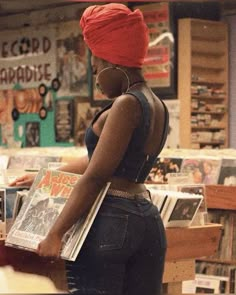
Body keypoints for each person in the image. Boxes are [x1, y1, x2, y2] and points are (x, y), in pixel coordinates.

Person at [10, 3, 169, 295]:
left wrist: (55, 233)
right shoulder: (156, 105)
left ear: (112, 62)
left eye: (96, 65)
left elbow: (95, 176)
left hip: (112, 220)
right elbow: (101, 160)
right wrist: (44, 176)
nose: (95, 75)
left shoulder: (125, 104)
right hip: (147, 219)